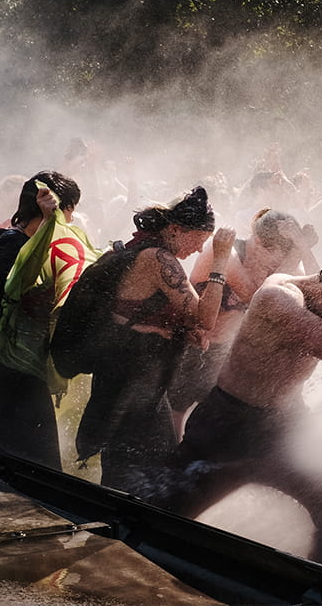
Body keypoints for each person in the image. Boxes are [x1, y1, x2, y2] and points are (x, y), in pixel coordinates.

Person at [156, 251, 322, 570]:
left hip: (287, 428)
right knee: (161, 517)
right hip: (226, 426)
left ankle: (312, 592)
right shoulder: (277, 294)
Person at [75, 185, 235, 493]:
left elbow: (141, 313)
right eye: (198, 240)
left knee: (136, 464)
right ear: (175, 229)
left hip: (128, 377)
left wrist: (175, 330)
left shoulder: (148, 251)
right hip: (130, 380)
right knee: (140, 468)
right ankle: (121, 531)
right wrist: (221, 261)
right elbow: (206, 317)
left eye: (206, 244)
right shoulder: (157, 258)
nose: (200, 250)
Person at [0, 172, 99, 469]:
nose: (70, 220)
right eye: (70, 210)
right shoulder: (13, 245)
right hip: (10, 371)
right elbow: (8, 298)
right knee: (28, 467)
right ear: (56, 208)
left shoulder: (19, 240)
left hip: (20, 369)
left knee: (28, 462)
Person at [166, 208, 319, 437]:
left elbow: (317, 292)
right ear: (257, 241)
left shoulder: (279, 260)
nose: (278, 261)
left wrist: (304, 248)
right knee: (177, 409)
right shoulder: (227, 252)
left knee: (217, 421)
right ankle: (170, 458)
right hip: (194, 345)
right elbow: (258, 296)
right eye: (276, 252)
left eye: (285, 255)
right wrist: (295, 254)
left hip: (228, 354)